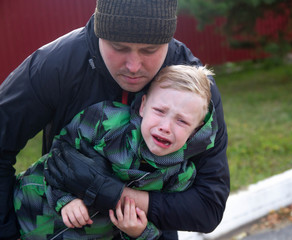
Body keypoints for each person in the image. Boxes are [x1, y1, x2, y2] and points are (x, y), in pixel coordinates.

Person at [0, 0, 229, 239]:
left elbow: (208, 207)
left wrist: (109, 193)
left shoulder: (196, 92)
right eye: (118, 47)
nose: (133, 66)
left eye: (150, 50)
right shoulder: (56, 65)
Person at [14, 65, 218, 239]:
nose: (166, 126)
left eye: (181, 121)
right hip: (24, 208)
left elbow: (161, 226)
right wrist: (64, 199)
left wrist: (138, 232)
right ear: (144, 105)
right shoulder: (105, 121)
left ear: (197, 129)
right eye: (160, 111)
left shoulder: (179, 177)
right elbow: (59, 154)